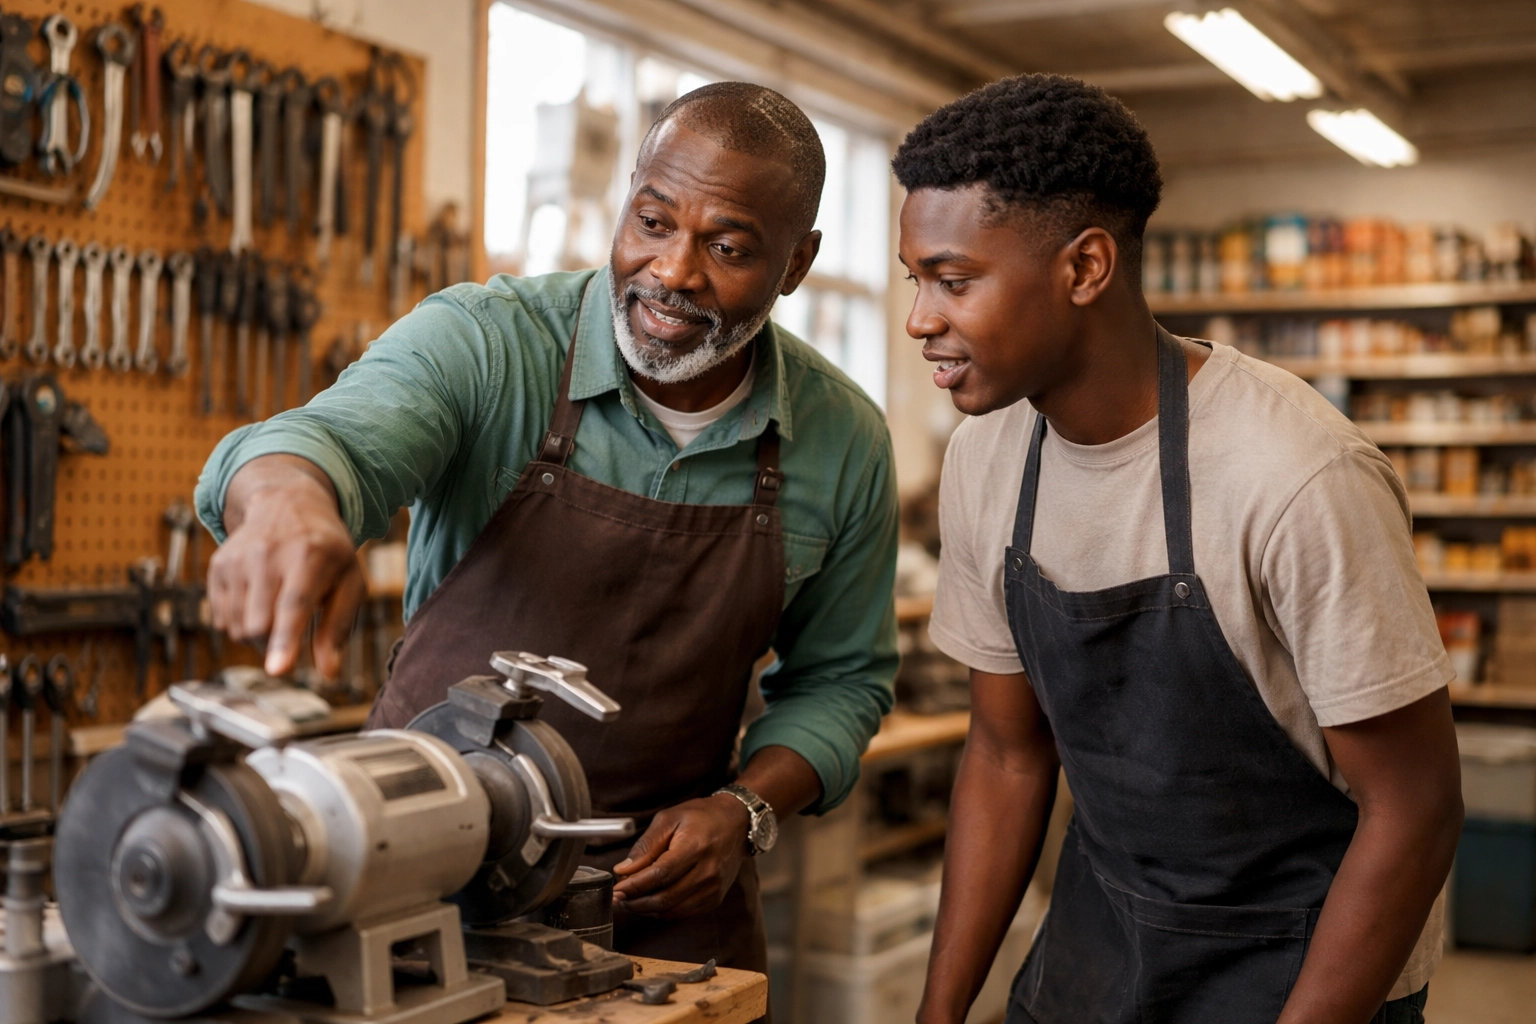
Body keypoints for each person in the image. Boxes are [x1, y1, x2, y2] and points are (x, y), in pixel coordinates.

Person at [194, 82, 899, 974]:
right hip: (418, 873)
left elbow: (842, 679)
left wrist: (746, 810)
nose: (674, 272)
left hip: (663, 904)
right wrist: (289, 503)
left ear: (797, 263)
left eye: (726, 246)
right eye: (651, 222)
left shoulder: (843, 441)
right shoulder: (492, 344)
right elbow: (325, 441)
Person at [896, 74, 1462, 1024]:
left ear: (1085, 269)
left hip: (1305, 970)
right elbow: (1004, 754)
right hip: (1098, 948)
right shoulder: (985, 458)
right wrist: (939, 1013)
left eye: (953, 282)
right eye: (915, 279)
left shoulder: (1296, 475)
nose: (920, 318)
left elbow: (1414, 812)